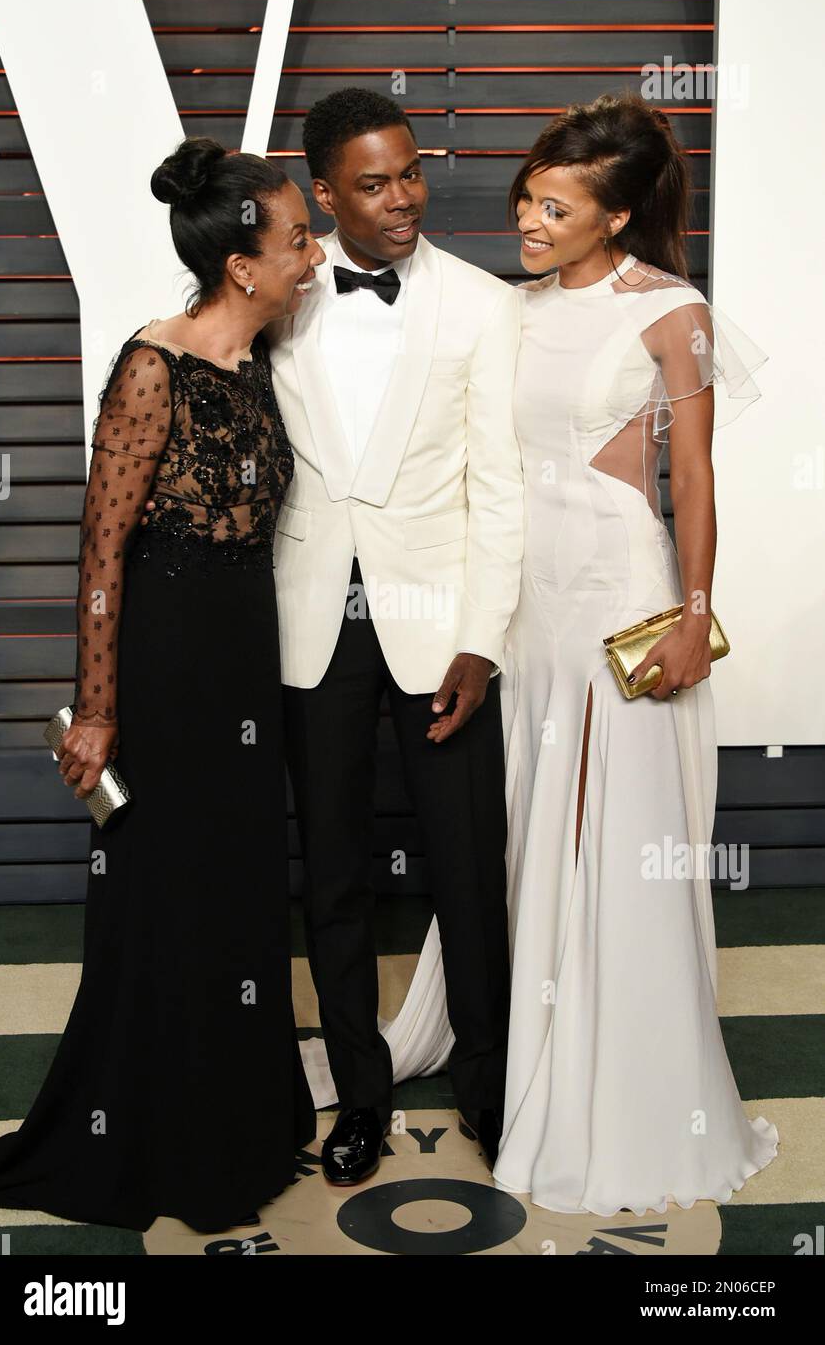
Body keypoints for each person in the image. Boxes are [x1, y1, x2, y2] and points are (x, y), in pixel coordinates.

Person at [0, 138, 325, 1233]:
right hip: (164, 669)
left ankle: (233, 1125)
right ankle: (145, 1140)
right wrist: (100, 709)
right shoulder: (151, 364)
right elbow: (99, 551)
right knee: (162, 899)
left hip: (241, 660)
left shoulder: (257, 362)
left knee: (234, 896)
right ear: (241, 266)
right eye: (298, 237)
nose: (313, 255)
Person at [492, 94, 779, 1214]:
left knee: (625, 833)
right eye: (526, 198)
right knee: (537, 823)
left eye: (553, 206)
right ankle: (536, 1058)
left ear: (613, 220)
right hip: (528, 593)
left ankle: (632, 1095)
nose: (527, 218)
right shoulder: (508, 310)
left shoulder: (672, 309)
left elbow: (694, 476)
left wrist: (691, 616)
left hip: (620, 588)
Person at [265, 88, 524, 1184]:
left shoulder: (479, 304)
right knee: (330, 877)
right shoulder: (277, 292)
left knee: (467, 876)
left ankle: (491, 1095)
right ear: (322, 193)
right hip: (310, 622)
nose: (400, 198)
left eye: (409, 173)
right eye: (370, 184)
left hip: (441, 632)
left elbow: (501, 493)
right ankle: (358, 1103)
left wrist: (483, 639)